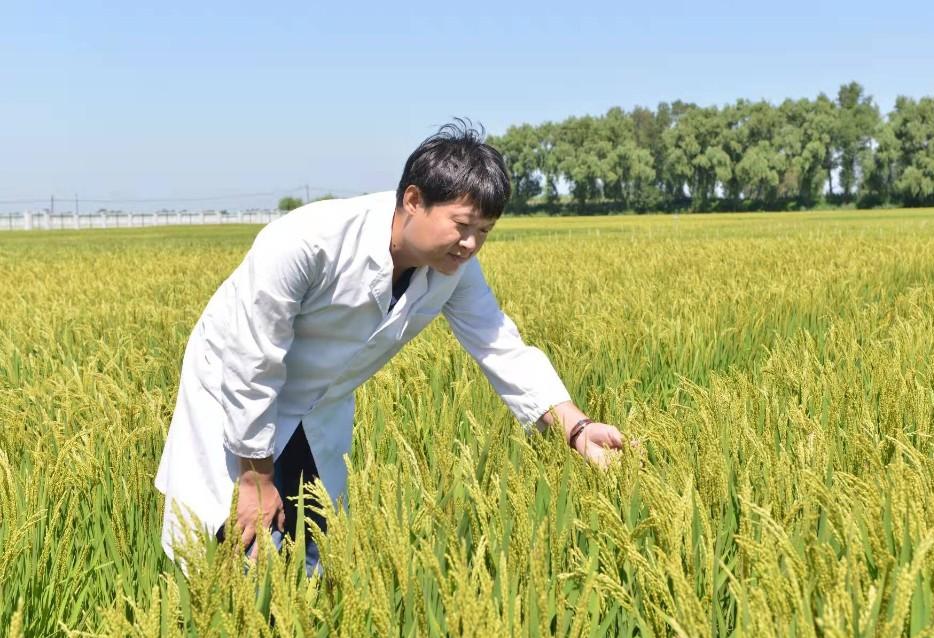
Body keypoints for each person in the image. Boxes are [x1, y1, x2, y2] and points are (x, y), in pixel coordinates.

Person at [155, 120, 625, 575]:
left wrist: (575, 427)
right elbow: (252, 362)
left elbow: (501, 344)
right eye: (462, 225)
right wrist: (255, 480)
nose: (470, 244)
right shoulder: (307, 242)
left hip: (317, 405)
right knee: (233, 547)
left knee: (314, 545)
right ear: (414, 200)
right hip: (235, 393)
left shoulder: (452, 270)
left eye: (484, 231)